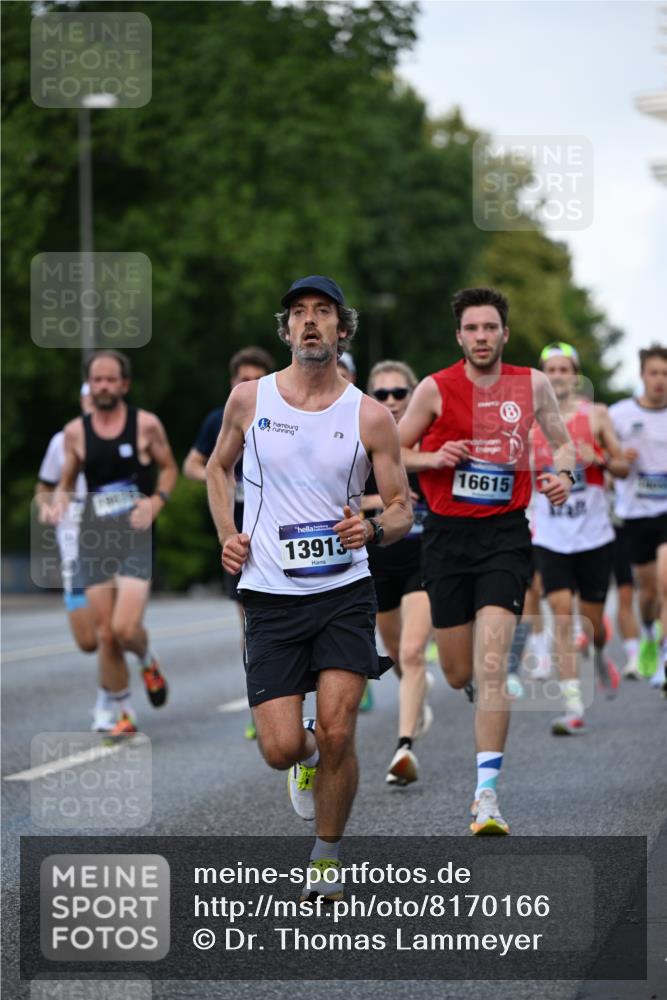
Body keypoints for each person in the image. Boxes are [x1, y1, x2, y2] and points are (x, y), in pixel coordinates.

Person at [207, 275, 412, 898]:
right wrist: (227, 533)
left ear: (342, 330)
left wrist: (373, 529)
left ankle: (326, 855)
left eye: (323, 312)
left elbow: (403, 508)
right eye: (299, 313)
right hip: (268, 593)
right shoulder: (250, 399)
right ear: (287, 329)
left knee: (341, 729)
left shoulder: (370, 415)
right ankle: (304, 766)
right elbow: (218, 469)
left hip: (344, 593)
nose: (311, 322)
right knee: (279, 747)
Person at [398, 286, 575, 835]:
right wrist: (433, 455)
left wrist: (562, 475)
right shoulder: (434, 389)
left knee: (495, 665)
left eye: (490, 328)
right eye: (472, 329)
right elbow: (391, 450)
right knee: (458, 671)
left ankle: (486, 796)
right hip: (447, 537)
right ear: (460, 336)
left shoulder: (532, 384)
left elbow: (562, 443)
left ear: (504, 333)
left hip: (505, 534)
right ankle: (469, 683)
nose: (481, 337)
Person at [48, 350, 178, 738]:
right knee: (105, 633)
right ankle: (123, 710)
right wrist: (60, 500)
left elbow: (169, 468)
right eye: (97, 380)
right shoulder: (75, 432)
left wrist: (156, 503)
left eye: (111, 379)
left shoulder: (146, 425)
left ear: (124, 384)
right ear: (91, 385)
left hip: (135, 539)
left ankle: (146, 656)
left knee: (124, 629)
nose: (104, 386)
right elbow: (68, 478)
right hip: (95, 539)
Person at [530, 343, 628, 734]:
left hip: (594, 537)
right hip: (550, 537)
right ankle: (572, 706)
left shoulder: (597, 415)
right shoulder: (528, 420)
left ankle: (602, 651)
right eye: (550, 369)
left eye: (563, 369)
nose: (556, 376)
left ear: (575, 374)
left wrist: (599, 456)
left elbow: (622, 467)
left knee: (591, 625)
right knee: (561, 613)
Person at [183, 346, 275, 739]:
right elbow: (194, 463)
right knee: (250, 621)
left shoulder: (280, 414)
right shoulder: (217, 421)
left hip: (276, 532)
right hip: (237, 538)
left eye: (256, 378)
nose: (247, 385)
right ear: (231, 382)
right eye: (242, 378)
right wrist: (221, 479)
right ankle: (262, 707)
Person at [361, 360, 434, 785]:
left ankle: (403, 747)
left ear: (412, 396)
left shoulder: (428, 437)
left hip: (424, 555)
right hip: (378, 559)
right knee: (395, 653)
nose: (390, 402)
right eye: (382, 394)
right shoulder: (363, 439)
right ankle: (415, 694)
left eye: (398, 394)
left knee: (411, 651)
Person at [610, 344, 667, 692]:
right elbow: (609, 464)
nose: (660, 380)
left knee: (666, 580)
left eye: (665, 373)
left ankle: (664, 662)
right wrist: (620, 459)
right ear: (642, 375)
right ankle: (648, 633)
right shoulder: (618, 415)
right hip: (635, 515)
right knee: (647, 594)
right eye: (654, 373)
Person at [35, 384, 98, 665]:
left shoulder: (126, 436)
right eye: (89, 397)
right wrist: (46, 507)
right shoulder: (60, 441)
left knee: (114, 630)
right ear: (82, 400)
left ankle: (112, 700)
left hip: (113, 540)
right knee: (87, 641)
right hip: (73, 544)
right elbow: (44, 487)